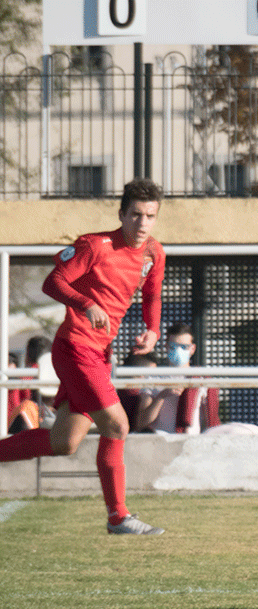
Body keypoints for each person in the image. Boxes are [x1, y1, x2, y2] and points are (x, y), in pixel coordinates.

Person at [0, 179, 167, 535]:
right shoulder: (96, 245)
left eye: (149, 216)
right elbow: (53, 282)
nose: (142, 223)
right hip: (76, 347)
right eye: (135, 215)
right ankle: (118, 516)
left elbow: (152, 296)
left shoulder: (154, 253)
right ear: (122, 214)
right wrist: (85, 303)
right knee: (118, 425)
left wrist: (152, 330)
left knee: (65, 442)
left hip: (99, 354)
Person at [134, 323, 221, 434]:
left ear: (192, 349)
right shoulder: (153, 378)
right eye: (173, 346)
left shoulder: (202, 379)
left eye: (184, 347)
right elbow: (141, 423)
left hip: (189, 443)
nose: (178, 351)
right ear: (166, 347)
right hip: (161, 442)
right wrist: (162, 396)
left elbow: (211, 423)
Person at [116, 351, 160, 432]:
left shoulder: (121, 390)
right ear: (140, 374)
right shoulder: (134, 394)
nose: (154, 378)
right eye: (152, 374)